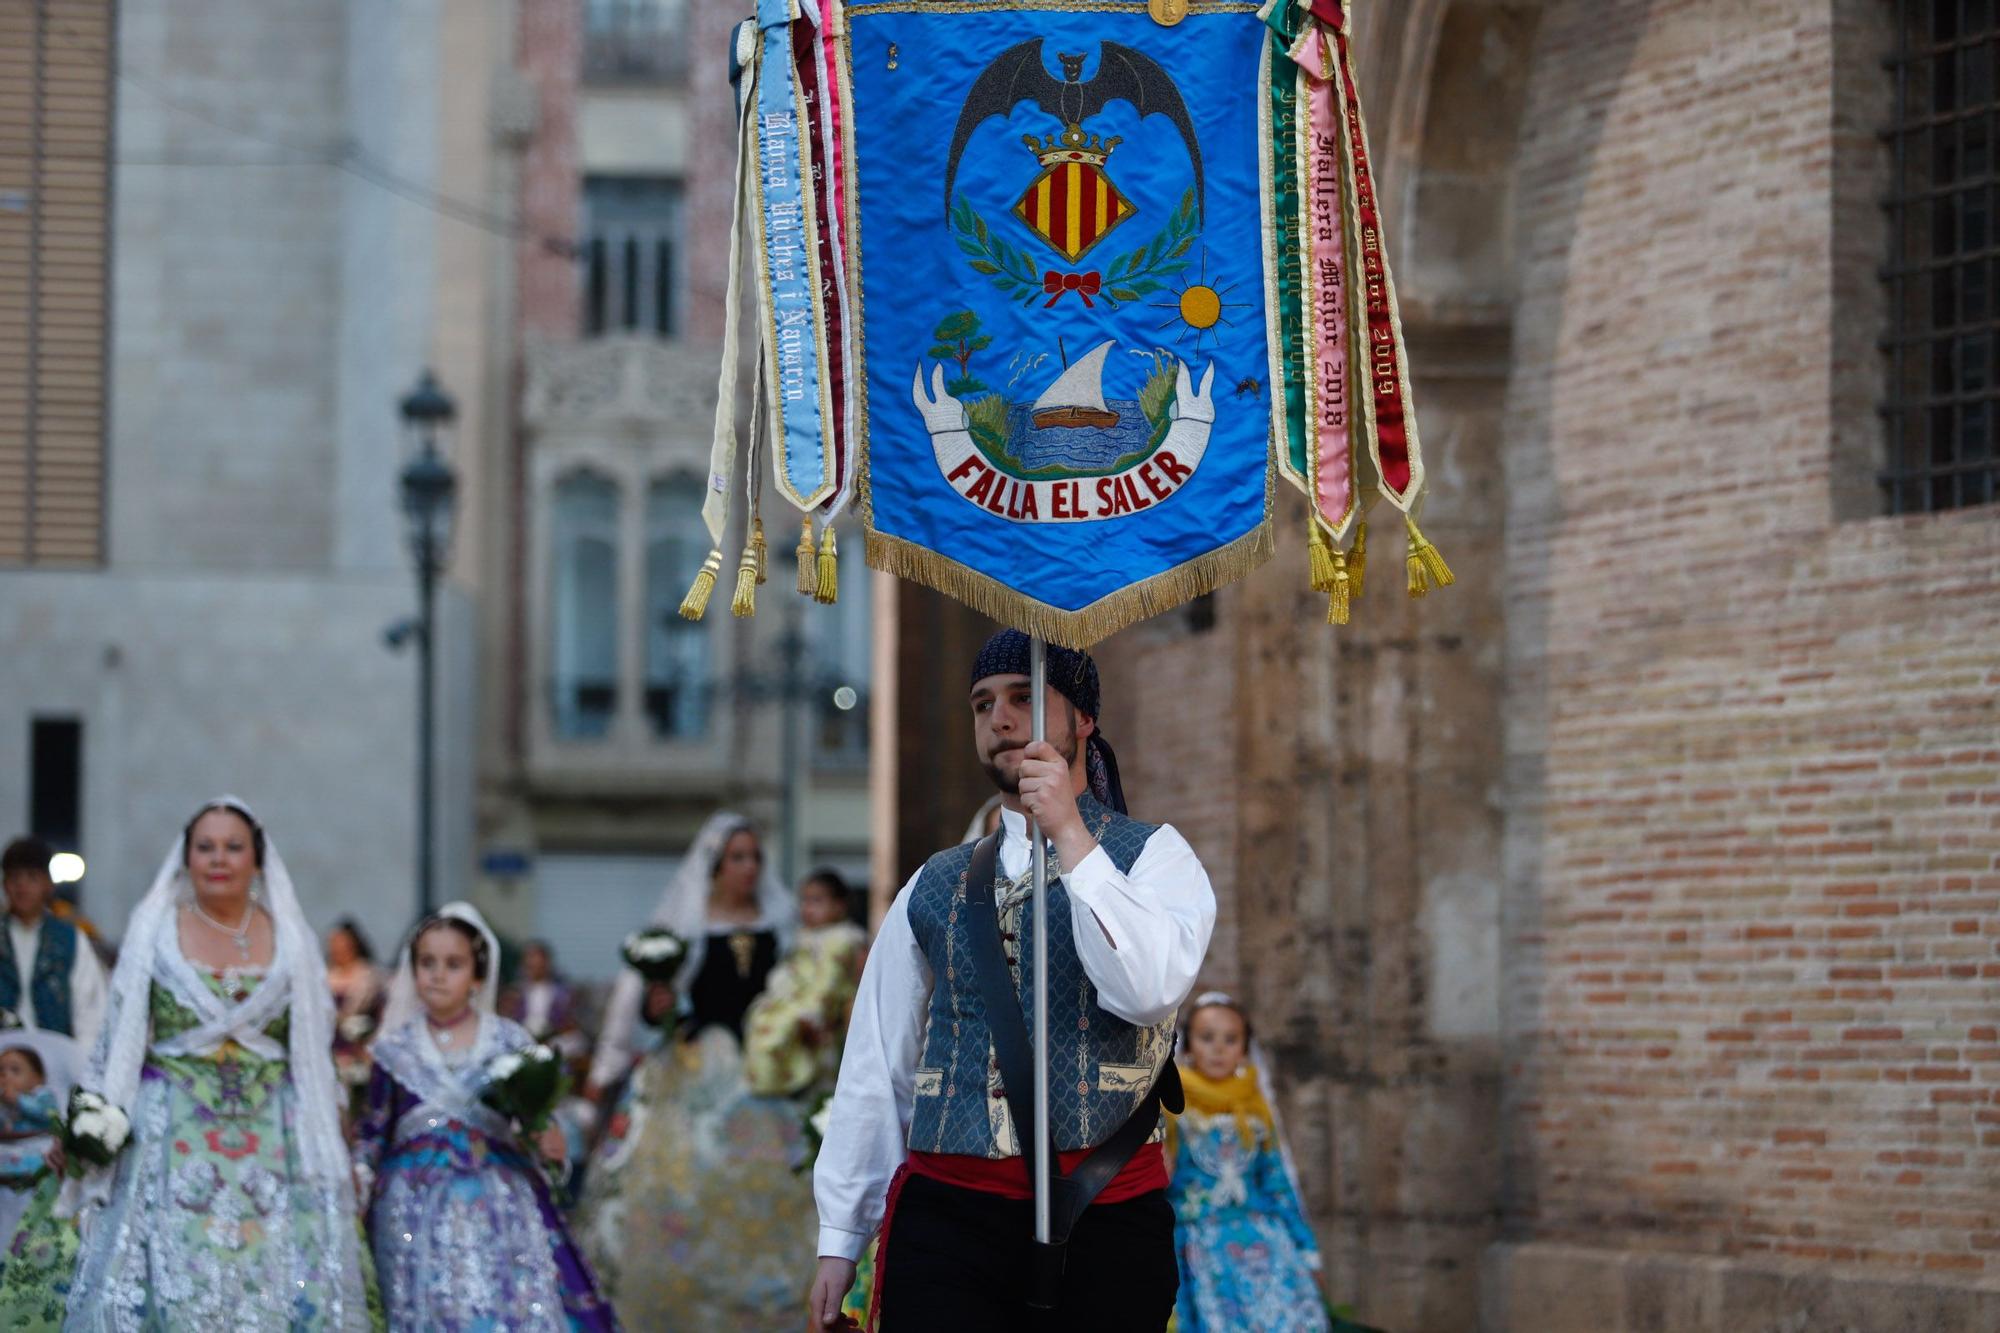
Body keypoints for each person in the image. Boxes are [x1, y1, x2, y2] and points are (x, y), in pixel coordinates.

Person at [809, 629, 1217, 1331]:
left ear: (1083, 719)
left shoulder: (1154, 856)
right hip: (949, 1217)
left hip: (1105, 1214)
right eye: (982, 703)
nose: (998, 718)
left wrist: (1071, 838)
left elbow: (1147, 989)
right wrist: (842, 1236)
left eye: (1024, 698)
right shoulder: (933, 882)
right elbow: (878, 1060)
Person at [1, 797, 373, 1329]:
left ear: (257, 859)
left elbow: (312, 1055)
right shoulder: (156, 928)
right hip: (171, 1133)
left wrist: (334, 1145)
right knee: (172, 1274)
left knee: (272, 1279)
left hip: (274, 1138)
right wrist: (88, 1123)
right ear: (187, 857)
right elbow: (119, 1036)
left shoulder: (291, 935)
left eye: (232, 847)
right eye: (206, 847)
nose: (218, 858)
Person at [574, 812, 809, 1329]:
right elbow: (643, 1008)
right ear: (715, 866)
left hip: (767, 1076)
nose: (748, 868)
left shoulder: (780, 920)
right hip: (699, 1070)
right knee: (688, 1184)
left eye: (755, 857)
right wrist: (655, 1011)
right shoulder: (688, 925)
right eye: (737, 858)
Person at [353, 902, 617, 1330]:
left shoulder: (507, 1042)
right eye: (427, 963)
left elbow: (532, 1116)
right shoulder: (393, 1051)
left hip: (497, 1199)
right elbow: (374, 1130)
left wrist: (545, 1136)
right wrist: (359, 1176)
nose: (437, 974)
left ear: (477, 976)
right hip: (410, 1206)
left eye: (453, 964)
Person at [1167, 992, 1328, 1332]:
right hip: (1197, 1249)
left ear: (1244, 1047)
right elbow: (1164, 1178)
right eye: (1207, 1038)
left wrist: (1305, 1248)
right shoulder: (1173, 1106)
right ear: (1189, 1043)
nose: (1219, 1049)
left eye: (1231, 1039)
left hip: (1263, 1246)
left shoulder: (1255, 1108)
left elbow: (1276, 1181)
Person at [744, 869, 867, 1099]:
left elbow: (828, 982)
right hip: (799, 998)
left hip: (820, 1011)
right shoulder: (806, 937)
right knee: (762, 1018)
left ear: (839, 906)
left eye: (817, 900)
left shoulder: (842, 940)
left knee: (783, 1032)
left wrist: (812, 1015)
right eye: (804, 900)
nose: (807, 908)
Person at [0, 838, 108, 1043]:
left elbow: (91, 1011)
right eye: (15, 878)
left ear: (48, 884)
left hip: (56, 1058)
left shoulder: (70, 939)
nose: (22, 887)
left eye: (32, 878)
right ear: (5, 884)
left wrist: (81, 1062)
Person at [326, 918, 385, 1125]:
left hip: (360, 1052)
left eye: (342, 944)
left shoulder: (368, 978)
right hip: (331, 1053)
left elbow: (379, 1017)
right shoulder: (325, 977)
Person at [500, 939, 587, 1063]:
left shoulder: (562, 994)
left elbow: (570, 1023)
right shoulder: (515, 993)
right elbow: (507, 1021)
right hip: (522, 1039)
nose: (535, 966)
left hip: (553, 1040)